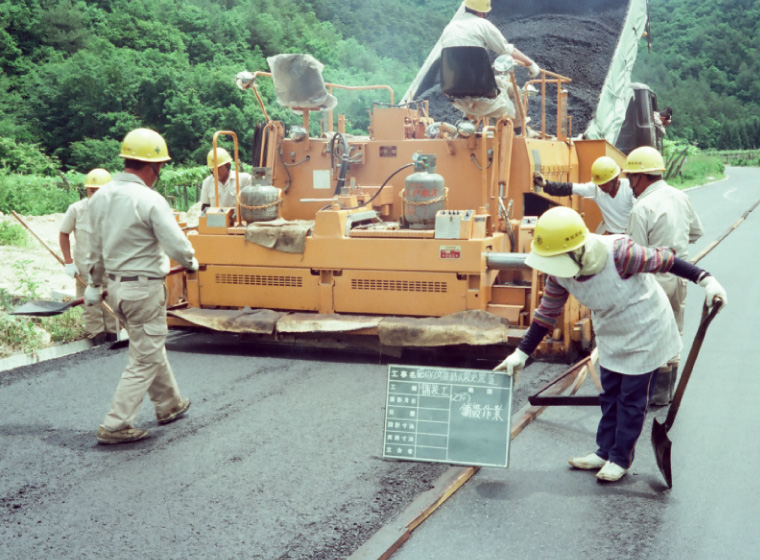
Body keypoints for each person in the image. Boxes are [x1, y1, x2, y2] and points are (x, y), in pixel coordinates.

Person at [495, 206, 725, 482]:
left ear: (578, 250)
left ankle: (620, 459)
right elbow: (546, 315)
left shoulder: (620, 254)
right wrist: (520, 354)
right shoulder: (558, 273)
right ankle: (604, 452)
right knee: (610, 394)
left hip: (647, 330)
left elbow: (667, 260)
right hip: (612, 332)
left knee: (631, 399)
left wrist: (707, 280)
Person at [83, 128, 198, 445]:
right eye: (160, 167)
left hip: (118, 290)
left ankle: (169, 404)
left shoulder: (100, 197)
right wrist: (191, 263)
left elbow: (93, 250)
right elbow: (176, 244)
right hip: (144, 289)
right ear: (153, 166)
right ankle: (116, 425)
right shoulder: (149, 199)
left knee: (148, 344)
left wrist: (94, 284)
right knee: (145, 357)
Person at [624, 145, 703, 405]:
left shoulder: (642, 208)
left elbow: (633, 256)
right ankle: (665, 393)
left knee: (650, 336)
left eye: (630, 178)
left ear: (642, 176)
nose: (630, 185)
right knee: (674, 331)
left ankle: (653, 393)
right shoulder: (680, 197)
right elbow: (695, 232)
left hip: (652, 282)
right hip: (680, 277)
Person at [438, 0, 541, 129]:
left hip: (453, 91)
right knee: (513, 90)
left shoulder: (449, 28)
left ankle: (467, 120)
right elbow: (508, 50)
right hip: (481, 88)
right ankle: (518, 130)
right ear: (481, 12)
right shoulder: (482, 25)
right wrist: (530, 64)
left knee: (475, 85)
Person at [59, 168, 119, 345]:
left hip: (111, 268)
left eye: (100, 191)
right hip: (85, 269)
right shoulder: (76, 210)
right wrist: (69, 262)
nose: (95, 194)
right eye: (92, 190)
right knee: (90, 305)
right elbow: (64, 234)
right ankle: (97, 340)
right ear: (86, 190)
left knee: (112, 303)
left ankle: (113, 336)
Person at [533, 156, 634, 234]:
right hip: (613, 238)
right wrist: (546, 184)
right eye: (599, 184)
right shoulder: (596, 189)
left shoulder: (630, 189)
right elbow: (570, 188)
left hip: (632, 237)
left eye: (604, 183)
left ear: (615, 178)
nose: (601, 187)